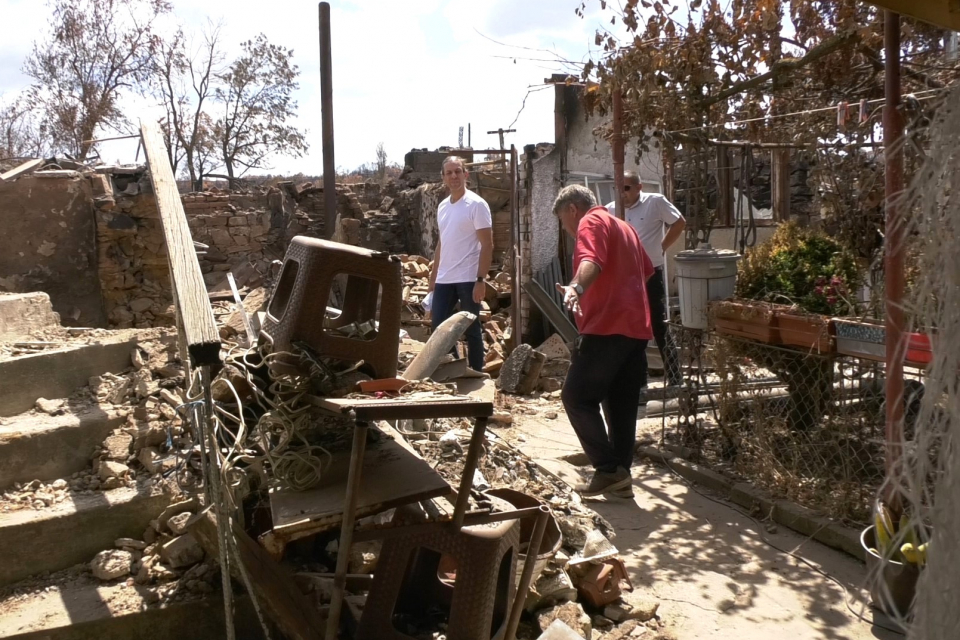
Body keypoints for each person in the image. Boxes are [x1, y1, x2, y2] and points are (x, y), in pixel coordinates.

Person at [554, 184, 654, 497]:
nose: (568, 230)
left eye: (562, 221)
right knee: (620, 407)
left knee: (576, 398)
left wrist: (576, 288)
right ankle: (620, 480)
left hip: (606, 328)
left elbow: (591, 261)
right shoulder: (625, 228)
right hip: (635, 330)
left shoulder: (591, 221)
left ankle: (608, 469)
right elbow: (647, 273)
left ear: (573, 209)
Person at [606, 171, 685, 386]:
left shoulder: (655, 202)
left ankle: (675, 377)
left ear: (639, 187)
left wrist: (661, 247)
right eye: (619, 188)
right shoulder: (612, 209)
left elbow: (678, 223)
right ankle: (638, 381)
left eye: (627, 188)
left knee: (658, 324)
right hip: (626, 277)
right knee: (632, 327)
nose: (623, 193)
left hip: (651, 273)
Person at [427, 155, 493, 372]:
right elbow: (441, 243)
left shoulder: (476, 204)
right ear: (443, 178)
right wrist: (433, 276)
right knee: (439, 327)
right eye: (449, 172)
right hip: (445, 278)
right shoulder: (443, 207)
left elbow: (487, 245)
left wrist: (481, 280)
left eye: (457, 171)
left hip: (468, 277)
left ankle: (476, 373)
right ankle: (453, 370)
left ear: (466, 174)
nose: (454, 176)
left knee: (471, 328)